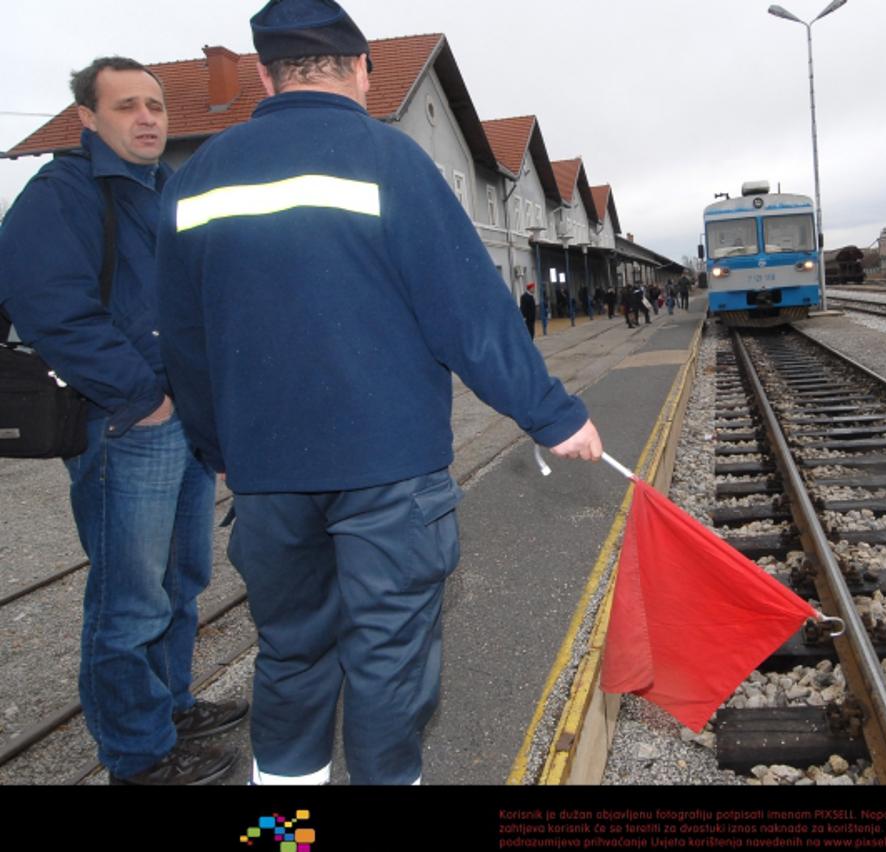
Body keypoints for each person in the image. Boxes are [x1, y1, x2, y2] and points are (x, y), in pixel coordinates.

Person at [156, 0, 602, 786]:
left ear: (264, 74)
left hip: (267, 474)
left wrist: (219, 450)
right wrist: (553, 414)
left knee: (291, 653)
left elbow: (183, 344)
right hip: (388, 469)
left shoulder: (196, 177)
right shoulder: (389, 162)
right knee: (388, 659)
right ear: (361, 70)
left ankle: (283, 835)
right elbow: (470, 314)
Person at [0, 57, 245, 785]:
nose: (147, 118)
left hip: (184, 425)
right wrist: (145, 400)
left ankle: (170, 706)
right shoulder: (63, 194)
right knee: (128, 601)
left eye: (156, 107)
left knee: (181, 581)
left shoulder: (170, 190)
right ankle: (137, 756)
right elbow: (51, 313)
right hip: (126, 427)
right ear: (88, 119)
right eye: (127, 106)